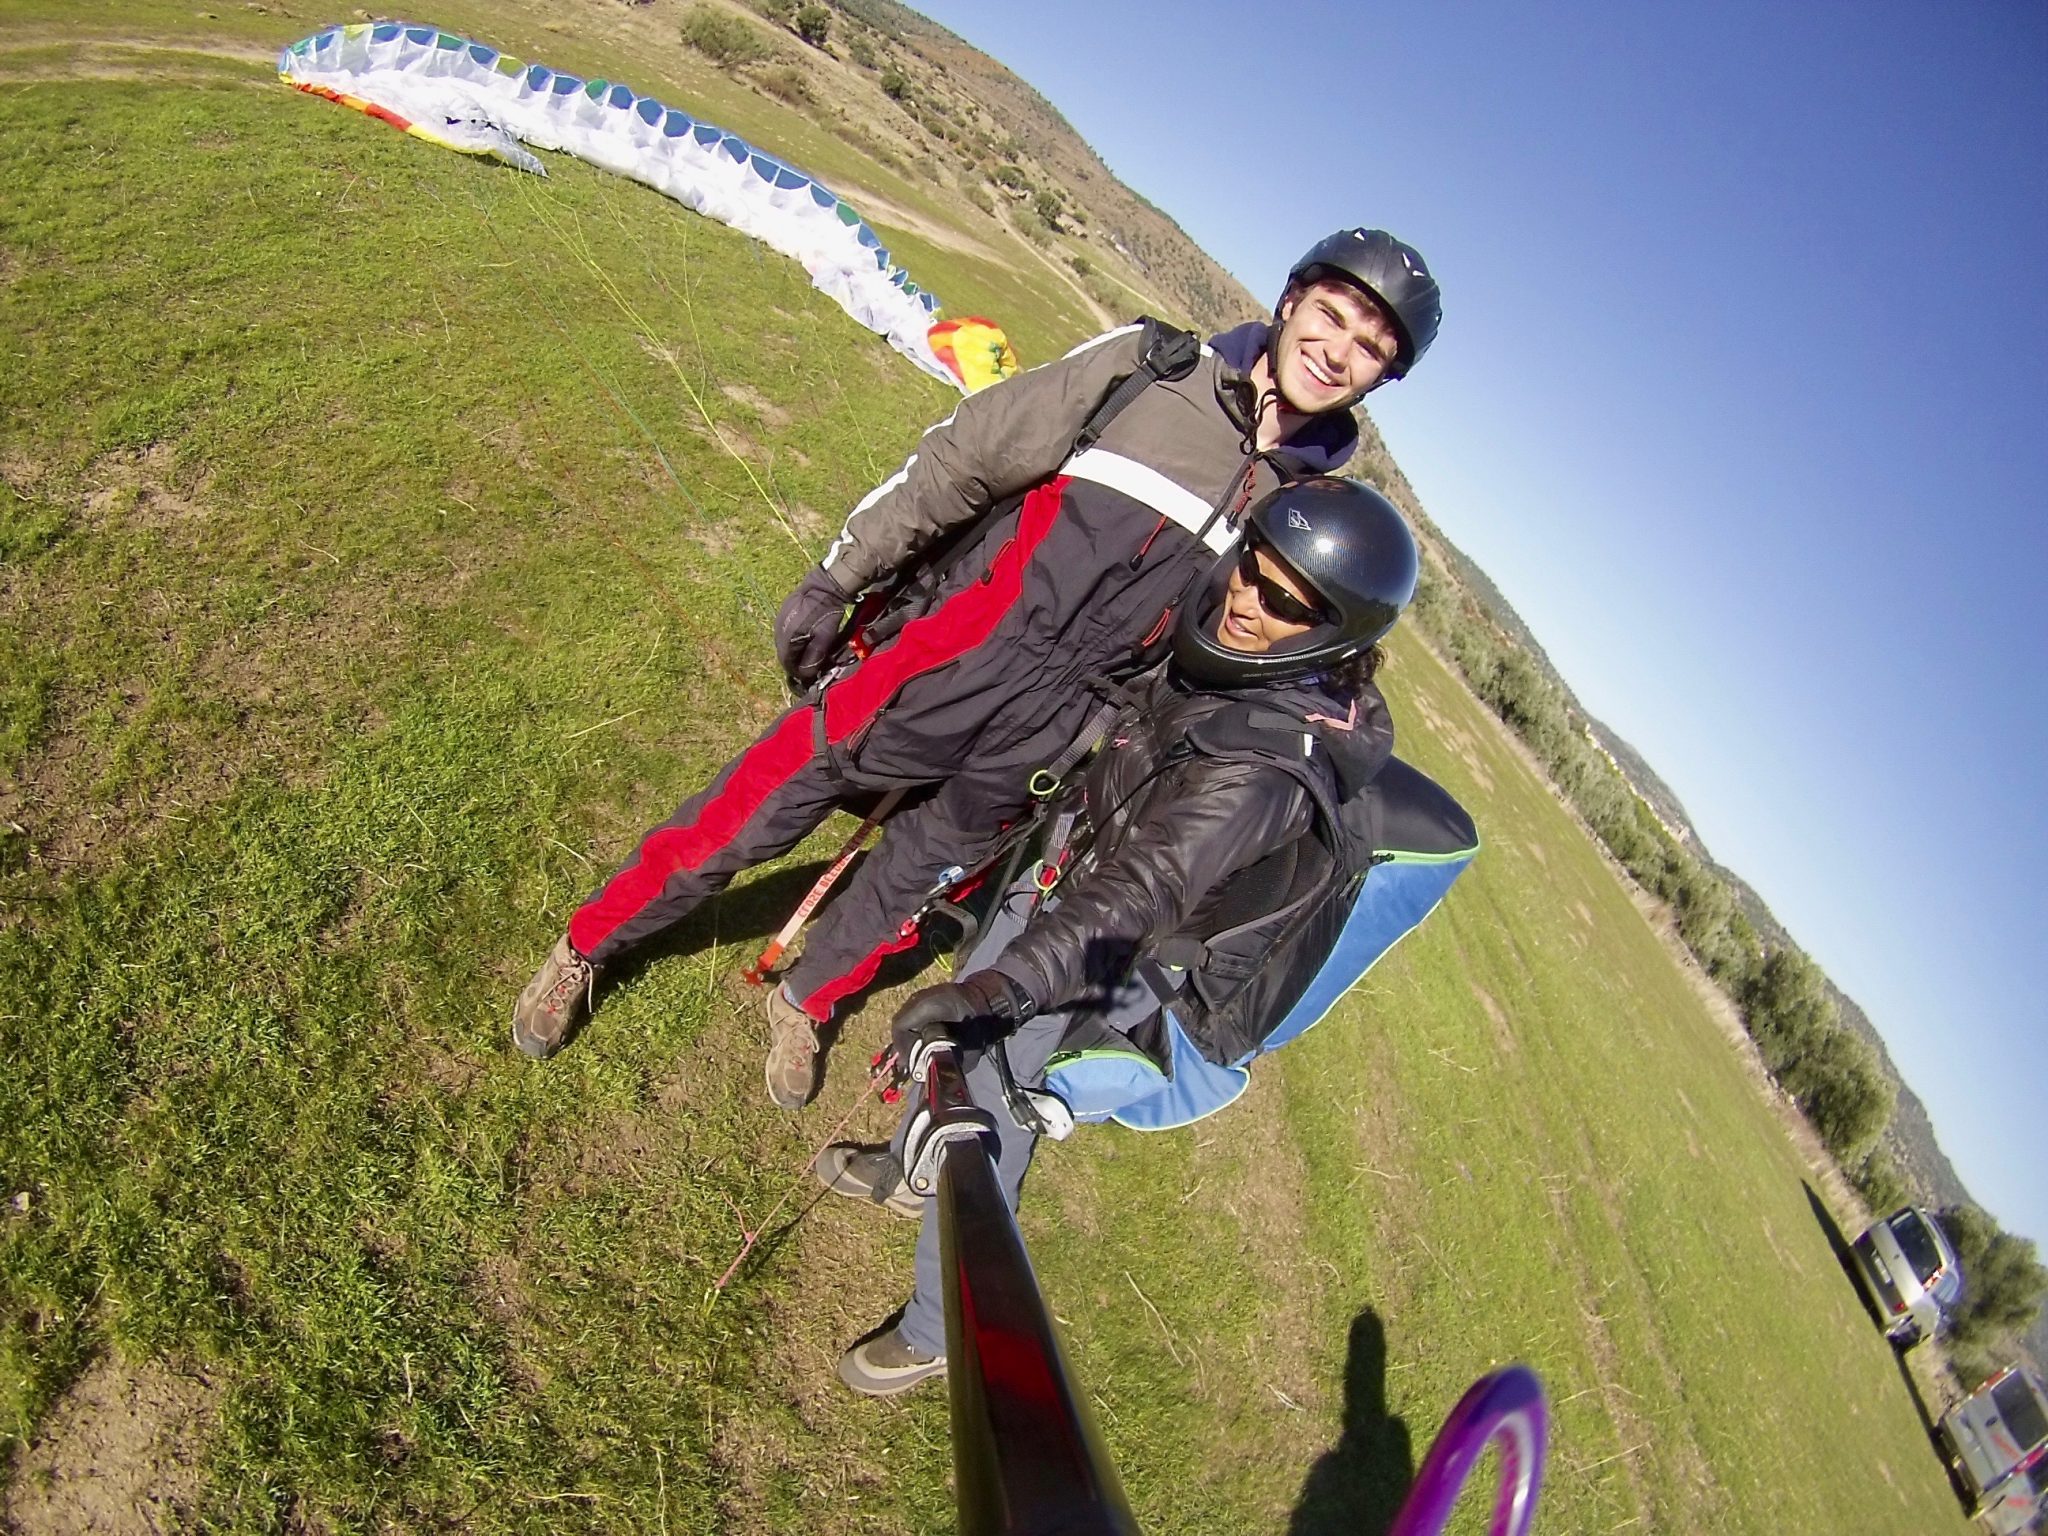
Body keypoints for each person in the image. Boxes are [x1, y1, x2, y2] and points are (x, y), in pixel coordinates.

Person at [511, 231, 1442, 1114]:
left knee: (911, 882)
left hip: (1054, 737)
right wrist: (842, 574)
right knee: (750, 811)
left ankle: (806, 1001)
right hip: (943, 659)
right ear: (1290, 301)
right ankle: (592, 944)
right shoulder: (1151, 372)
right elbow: (965, 457)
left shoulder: (1302, 511)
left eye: (1370, 348)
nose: (1337, 351)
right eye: (1331, 314)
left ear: (1381, 380)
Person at [815, 476, 1418, 1396]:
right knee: (956, 1032)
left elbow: (1147, 890)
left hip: (1108, 949)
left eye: (1285, 599)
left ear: (1334, 631)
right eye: (1253, 561)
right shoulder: (1234, 647)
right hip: (1069, 874)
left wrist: (999, 993)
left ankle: (943, 1328)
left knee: (990, 1104)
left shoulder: (1265, 774)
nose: (1247, 596)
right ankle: (906, 1166)